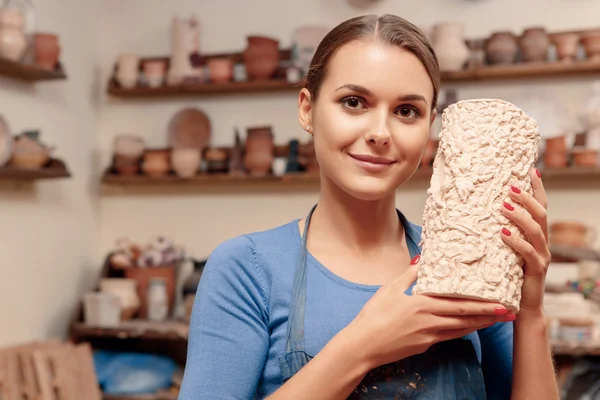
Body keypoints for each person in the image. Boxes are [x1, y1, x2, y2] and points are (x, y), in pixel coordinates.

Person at [179, 14, 558, 400]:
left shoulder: (470, 264)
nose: (380, 133)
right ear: (307, 109)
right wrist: (362, 347)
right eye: (354, 102)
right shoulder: (248, 269)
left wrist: (530, 312)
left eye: (406, 111)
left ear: (430, 124)